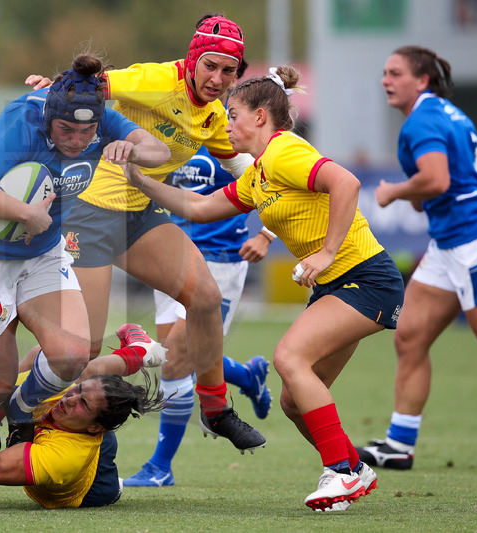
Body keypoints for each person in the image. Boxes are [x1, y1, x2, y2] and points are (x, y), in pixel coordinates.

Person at [121, 64, 405, 511]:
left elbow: (346, 183)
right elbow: (198, 207)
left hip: (366, 279)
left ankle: (343, 474)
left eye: (232, 114)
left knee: (289, 358)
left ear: (259, 117)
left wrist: (328, 251)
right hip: (337, 285)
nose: (225, 124)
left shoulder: (282, 151)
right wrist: (139, 180)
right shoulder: (258, 174)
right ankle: (354, 465)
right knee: (294, 399)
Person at [27, 14, 266, 454]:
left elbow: (246, 169)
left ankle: (215, 409)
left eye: (228, 70)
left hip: (139, 216)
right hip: (87, 216)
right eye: (210, 66)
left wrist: (286, 184)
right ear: (194, 59)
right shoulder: (155, 80)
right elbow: (85, 86)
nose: (217, 78)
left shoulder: (214, 114)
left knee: (206, 298)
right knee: (79, 352)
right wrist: (51, 86)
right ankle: (10, 399)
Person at [0, 53, 169, 509]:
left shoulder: (102, 121)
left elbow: (159, 150)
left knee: (71, 354)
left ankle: (24, 415)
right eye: (67, 131)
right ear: (49, 116)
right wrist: (26, 212)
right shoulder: (21, 120)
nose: (77, 140)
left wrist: (130, 148)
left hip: (42, 253)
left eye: (88, 132)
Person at [123, 59, 274, 487]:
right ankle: (246, 376)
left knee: (174, 357)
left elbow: (276, 185)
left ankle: (160, 466)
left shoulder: (238, 138)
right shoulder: (174, 128)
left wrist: (265, 235)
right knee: (179, 352)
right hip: (170, 251)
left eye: (225, 79)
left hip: (221, 259)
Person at [356, 46, 477, 471]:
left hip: (473, 244)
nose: (385, 79)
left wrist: (395, 191)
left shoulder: (422, 120)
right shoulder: (450, 114)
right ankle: (399, 444)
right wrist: (424, 196)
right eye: (384, 72)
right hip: (448, 245)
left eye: (395, 73)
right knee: (410, 335)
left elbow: (436, 178)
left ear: (421, 81)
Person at [0, 323, 167, 509]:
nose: (69, 399)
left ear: (95, 427)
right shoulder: (70, 397)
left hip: (94, 484)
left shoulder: (65, 458)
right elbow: (25, 371)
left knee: (66, 384)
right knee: (65, 365)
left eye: (82, 404)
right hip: (76, 426)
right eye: (78, 392)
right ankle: (140, 352)